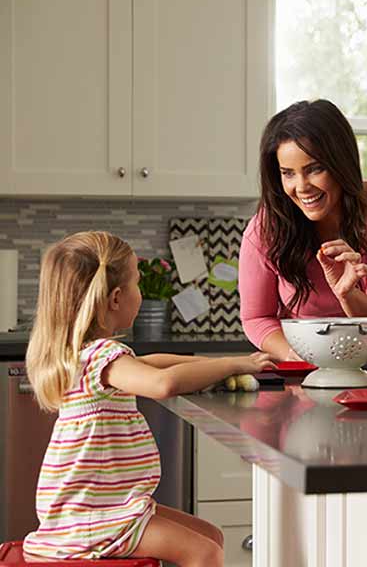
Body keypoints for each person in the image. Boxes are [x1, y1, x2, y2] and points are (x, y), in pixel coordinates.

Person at [23, 231, 274, 567]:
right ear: (115, 298)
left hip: (103, 505)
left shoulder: (85, 354)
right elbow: (162, 382)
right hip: (92, 517)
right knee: (205, 552)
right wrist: (232, 363)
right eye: (138, 284)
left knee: (211, 535)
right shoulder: (102, 356)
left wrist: (216, 366)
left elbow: (151, 362)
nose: (141, 294)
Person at [239, 99, 367, 361]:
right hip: (301, 363)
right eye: (288, 173)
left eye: (314, 169)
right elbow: (256, 318)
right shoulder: (266, 229)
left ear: (341, 164)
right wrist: (299, 357)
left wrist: (348, 295)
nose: (301, 187)